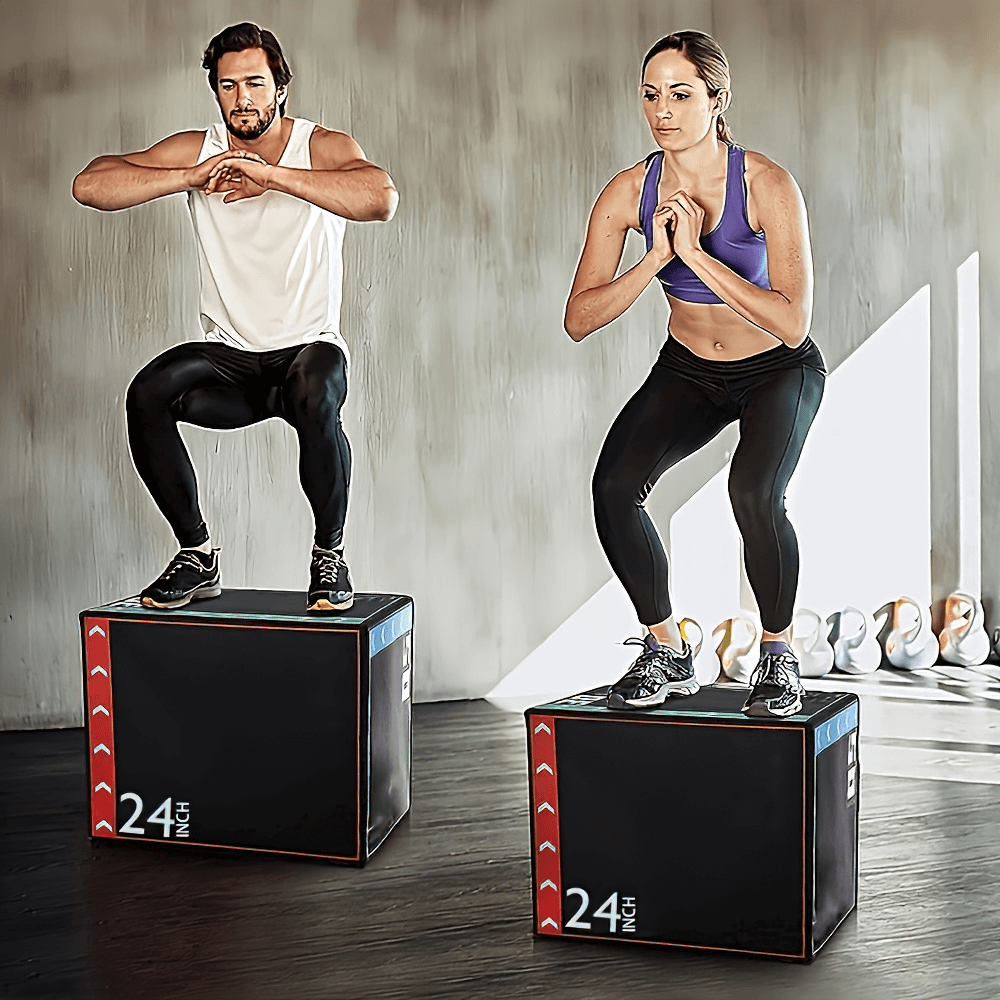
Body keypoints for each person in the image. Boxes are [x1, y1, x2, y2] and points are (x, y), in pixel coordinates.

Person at [73, 22, 398, 613]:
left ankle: (329, 555)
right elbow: (89, 184)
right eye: (228, 86)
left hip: (307, 349)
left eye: (254, 83)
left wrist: (268, 175)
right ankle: (198, 555)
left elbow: (380, 198)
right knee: (146, 394)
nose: (242, 98)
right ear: (216, 93)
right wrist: (191, 177)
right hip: (231, 359)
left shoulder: (319, 146)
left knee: (315, 387)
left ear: (280, 89)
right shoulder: (198, 151)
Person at [564, 30, 825, 717]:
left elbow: (793, 322)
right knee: (615, 487)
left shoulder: (764, 183)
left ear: (717, 99)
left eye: (681, 94)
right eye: (651, 96)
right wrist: (654, 259)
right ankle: (667, 649)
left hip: (778, 369)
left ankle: (776, 655)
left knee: (754, 494)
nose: (662, 110)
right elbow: (580, 318)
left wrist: (698, 255)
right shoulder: (630, 190)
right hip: (690, 372)